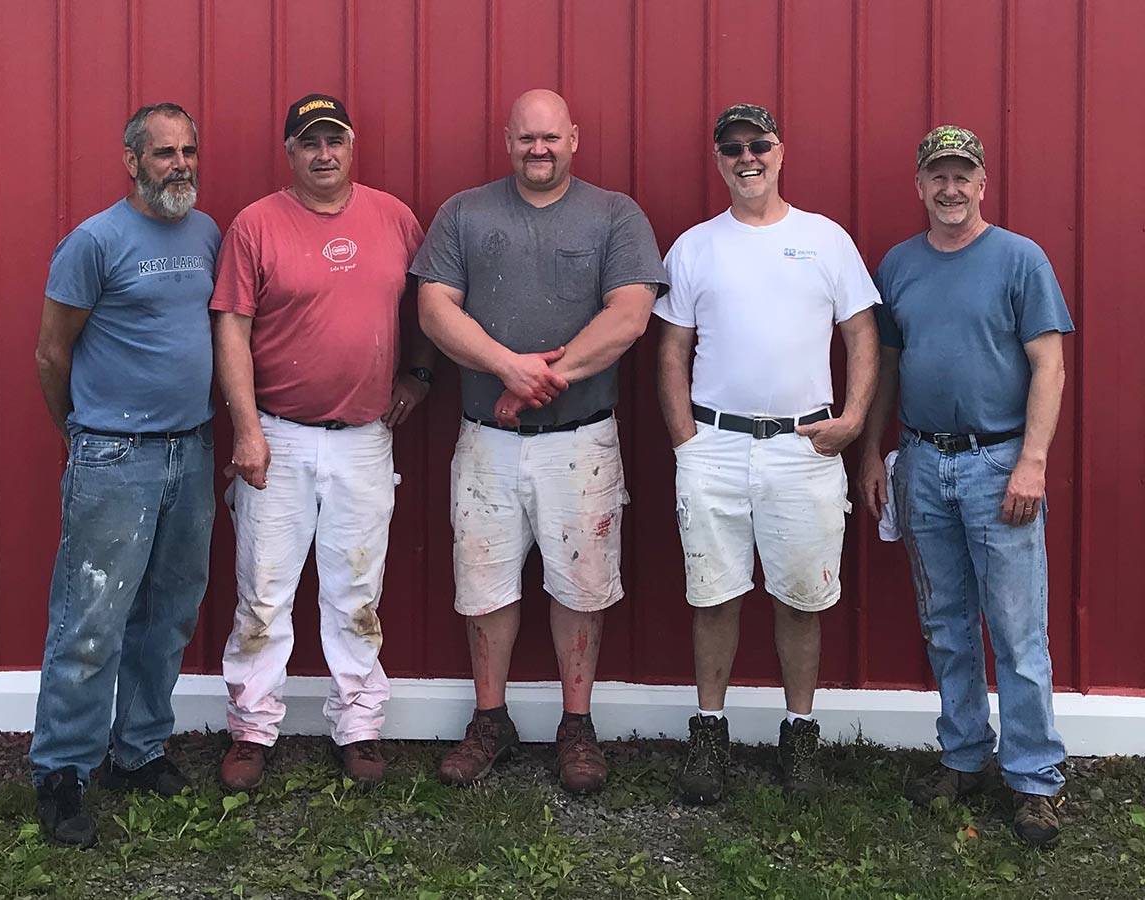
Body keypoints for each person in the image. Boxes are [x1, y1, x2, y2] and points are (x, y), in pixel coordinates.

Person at [413, 89, 668, 794]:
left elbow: (630, 315)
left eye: (551, 137)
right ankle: (490, 719)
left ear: (574, 138)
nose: (539, 149)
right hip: (485, 437)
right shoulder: (465, 213)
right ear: (507, 140)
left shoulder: (615, 215)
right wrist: (507, 368)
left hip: (580, 442)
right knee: (484, 582)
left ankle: (576, 724)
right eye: (527, 138)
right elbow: (433, 309)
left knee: (582, 585)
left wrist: (544, 378)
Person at [654, 103, 879, 803]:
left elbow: (862, 336)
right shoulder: (695, 246)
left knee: (800, 597)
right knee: (714, 594)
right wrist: (684, 440)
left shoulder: (826, 240)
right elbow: (671, 347)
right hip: (714, 444)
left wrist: (853, 418)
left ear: (781, 152)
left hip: (805, 444)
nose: (747, 158)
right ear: (718, 160)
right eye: (733, 149)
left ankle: (799, 736)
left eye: (760, 145)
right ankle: (710, 734)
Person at [858, 125, 1073, 846]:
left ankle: (1034, 780)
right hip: (922, 461)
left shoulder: (1020, 260)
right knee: (945, 622)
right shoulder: (899, 265)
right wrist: (873, 454)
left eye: (963, 176)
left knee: (1015, 631)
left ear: (983, 184)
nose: (950, 189)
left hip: (998, 463)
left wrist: (1033, 461)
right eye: (938, 177)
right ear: (919, 185)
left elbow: (1049, 365)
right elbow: (886, 366)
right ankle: (962, 756)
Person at [212, 93, 433, 790]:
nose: (324, 154)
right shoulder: (255, 225)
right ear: (290, 152)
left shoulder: (394, 217)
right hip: (276, 434)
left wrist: (420, 373)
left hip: (365, 437)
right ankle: (252, 728)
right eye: (310, 142)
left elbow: (429, 302)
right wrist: (246, 429)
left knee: (356, 590)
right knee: (264, 590)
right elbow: (231, 329)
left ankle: (360, 726)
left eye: (334, 139)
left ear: (351, 143)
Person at [31, 103, 220, 847]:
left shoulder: (206, 233)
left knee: (168, 610)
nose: (181, 164)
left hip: (193, 451)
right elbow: (52, 354)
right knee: (91, 620)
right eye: (165, 152)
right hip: (114, 455)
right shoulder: (93, 241)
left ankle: (137, 750)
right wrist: (85, 433)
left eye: (189, 150)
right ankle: (62, 773)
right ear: (132, 161)